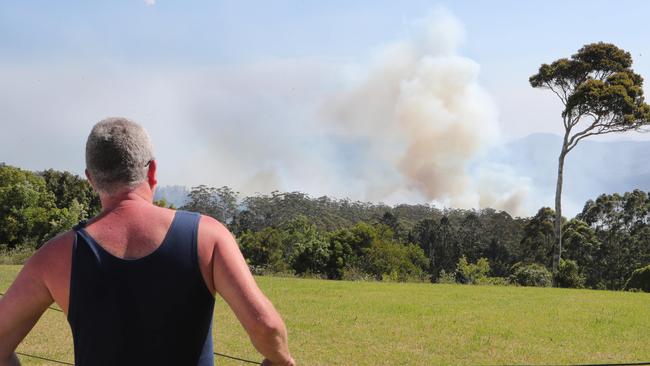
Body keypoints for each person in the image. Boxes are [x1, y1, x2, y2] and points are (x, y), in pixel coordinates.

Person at [0, 117, 295, 366]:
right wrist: (282, 361)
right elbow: (265, 326)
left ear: (91, 179)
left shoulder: (56, 256)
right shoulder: (207, 236)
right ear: (152, 171)